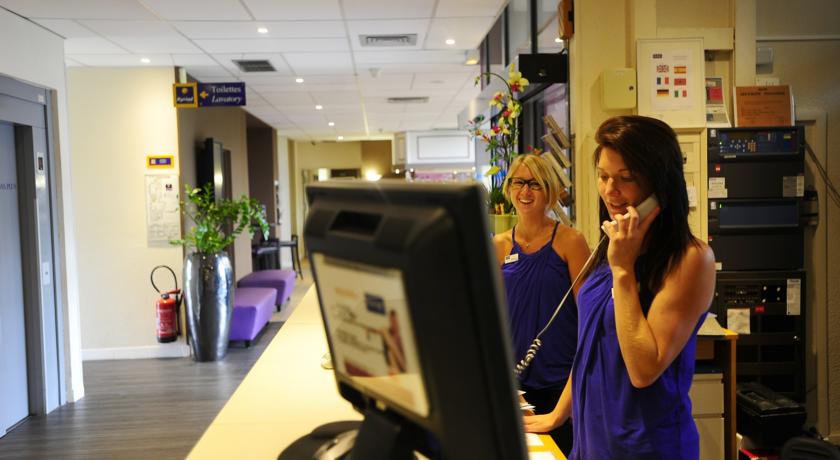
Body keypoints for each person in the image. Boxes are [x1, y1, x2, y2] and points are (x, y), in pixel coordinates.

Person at [522, 115, 716, 459]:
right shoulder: (611, 245)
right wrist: (557, 414)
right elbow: (590, 345)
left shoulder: (689, 259)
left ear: (659, 185)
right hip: (592, 444)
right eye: (603, 176)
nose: (610, 190)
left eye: (626, 179)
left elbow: (643, 370)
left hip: (646, 450)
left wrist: (623, 270)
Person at [492, 153, 590, 452]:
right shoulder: (498, 246)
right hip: (514, 385)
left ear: (549, 191)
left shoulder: (571, 242)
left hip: (560, 384)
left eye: (535, 184)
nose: (525, 191)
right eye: (519, 182)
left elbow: (590, 318)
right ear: (509, 188)